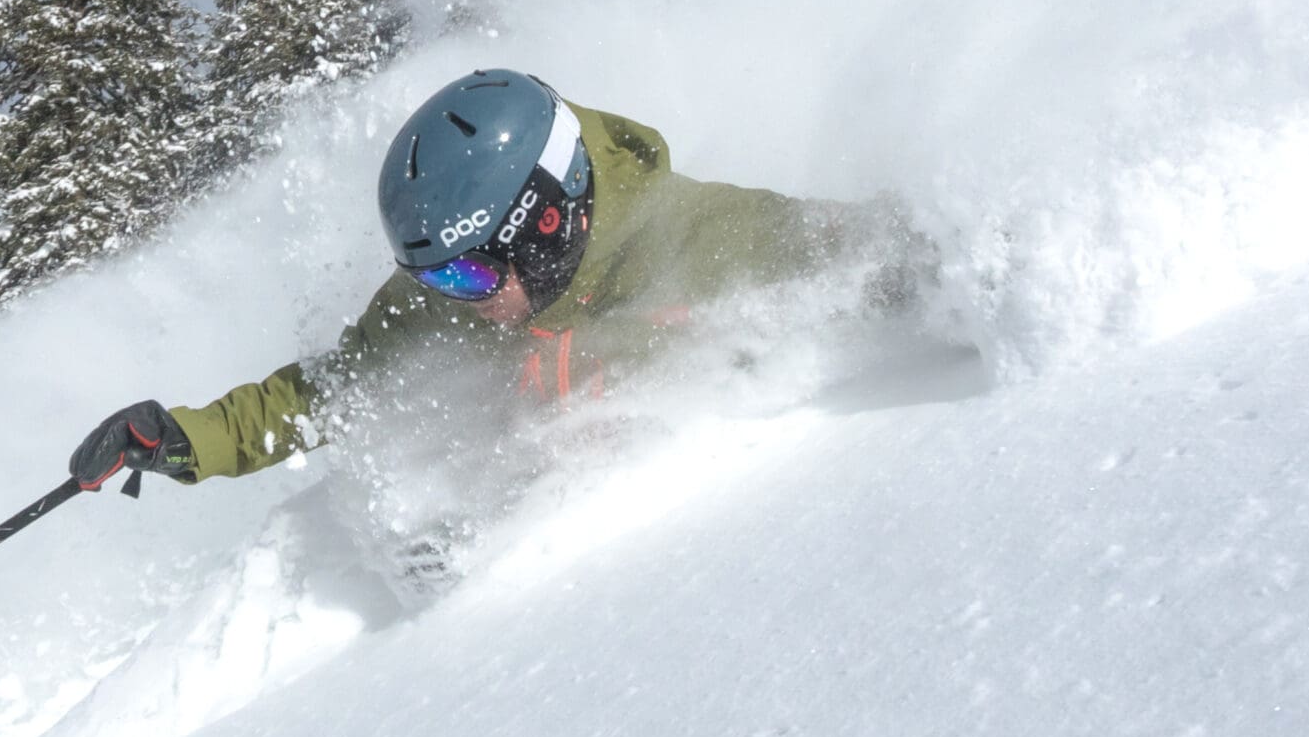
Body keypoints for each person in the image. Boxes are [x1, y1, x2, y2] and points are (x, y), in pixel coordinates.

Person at [70, 69, 919, 495]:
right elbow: (334, 392)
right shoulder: (450, 296)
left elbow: (876, 254)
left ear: (547, 218)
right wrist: (180, 437)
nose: (456, 296)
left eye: (470, 268)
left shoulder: (707, 236)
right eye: (434, 275)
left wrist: (613, 352)